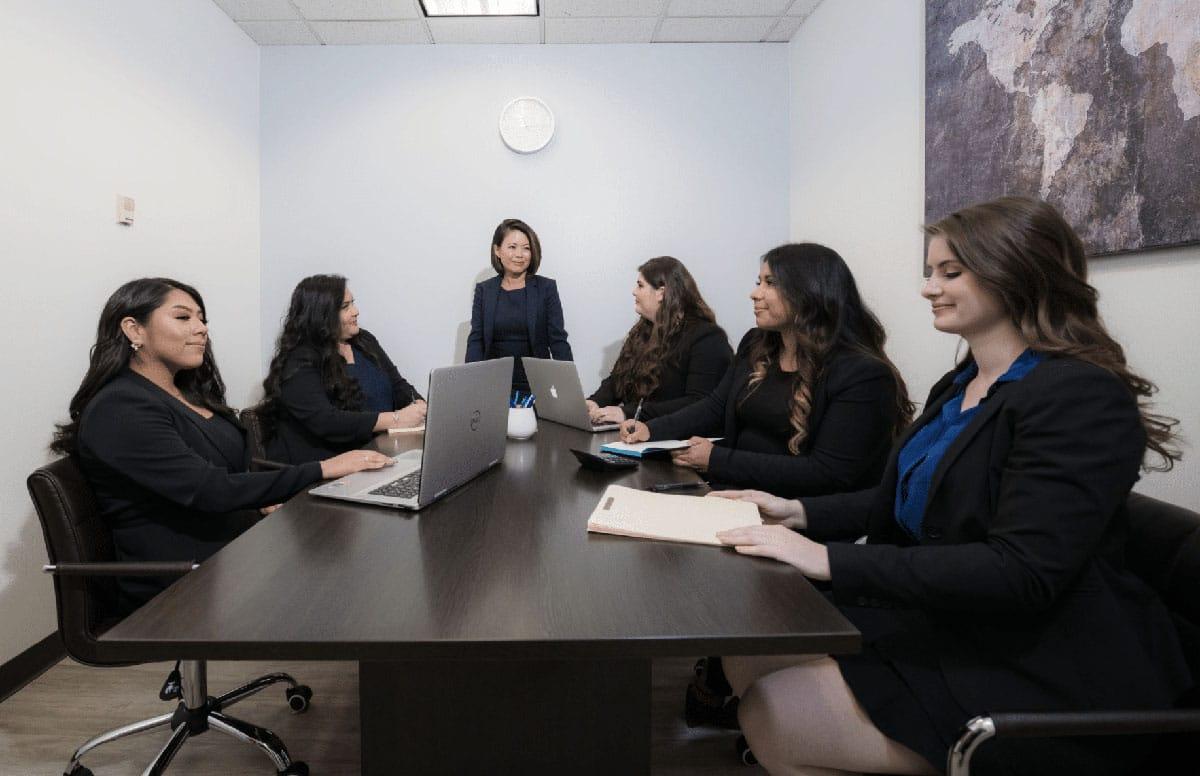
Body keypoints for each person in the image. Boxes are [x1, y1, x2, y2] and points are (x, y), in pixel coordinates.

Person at [711, 197, 1192, 776]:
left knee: (778, 712)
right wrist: (797, 513)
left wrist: (827, 561)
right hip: (954, 616)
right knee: (749, 643)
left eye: (949, 272)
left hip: (1043, 656)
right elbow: (919, 499)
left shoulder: (1080, 394)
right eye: (931, 270)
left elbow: (1020, 571)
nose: (926, 287)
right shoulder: (961, 380)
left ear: (1014, 273)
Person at [52, 278, 392, 614]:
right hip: (184, 579)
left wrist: (257, 501)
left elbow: (219, 473)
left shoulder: (184, 392)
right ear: (134, 329)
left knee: (362, 545)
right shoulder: (121, 408)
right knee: (355, 567)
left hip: (233, 548)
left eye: (202, 319)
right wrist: (325, 467)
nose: (201, 329)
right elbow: (210, 488)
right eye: (183, 318)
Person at [619, 242, 911, 498]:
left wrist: (717, 459)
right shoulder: (756, 344)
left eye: (769, 283)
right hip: (733, 492)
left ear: (808, 292)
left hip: (794, 514)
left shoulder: (862, 374)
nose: (754, 294)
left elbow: (827, 473)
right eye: (758, 282)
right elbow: (714, 407)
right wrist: (651, 429)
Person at [260, 274, 426, 464]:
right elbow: (327, 421)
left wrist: (420, 407)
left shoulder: (365, 341)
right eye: (345, 307)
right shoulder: (298, 360)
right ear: (321, 314)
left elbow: (398, 386)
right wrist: (396, 419)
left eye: (353, 303)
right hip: (330, 468)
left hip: (379, 454)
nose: (356, 312)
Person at [586, 256, 732, 425]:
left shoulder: (707, 338)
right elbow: (618, 379)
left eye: (640, 285)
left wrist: (628, 413)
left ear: (661, 293)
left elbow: (698, 403)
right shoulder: (642, 330)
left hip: (676, 440)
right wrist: (595, 402)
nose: (634, 291)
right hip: (637, 434)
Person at [465, 218, 572, 394]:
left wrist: (569, 389)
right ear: (497, 250)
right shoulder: (484, 290)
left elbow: (558, 341)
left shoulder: (547, 289)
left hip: (537, 386)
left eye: (526, 248)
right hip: (492, 384)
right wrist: (470, 385)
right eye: (512, 247)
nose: (520, 254)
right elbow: (476, 341)